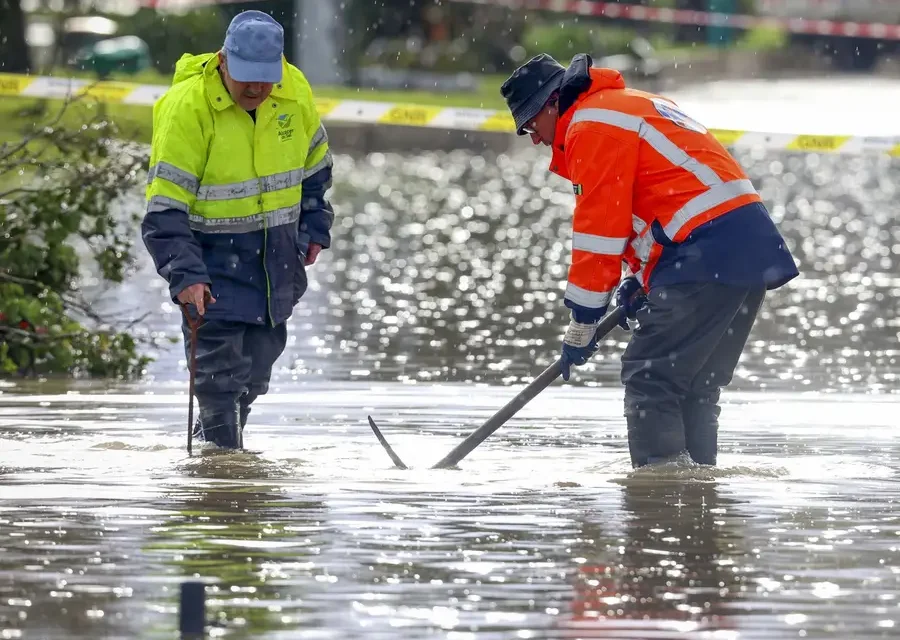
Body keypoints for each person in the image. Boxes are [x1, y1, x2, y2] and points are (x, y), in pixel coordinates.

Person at [499, 53, 799, 468]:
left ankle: (660, 491)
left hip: (704, 252)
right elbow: (658, 207)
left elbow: (599, 230)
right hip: (746, 248)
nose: (535, 139)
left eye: (532, 125)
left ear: (553, 103)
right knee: (694, 386)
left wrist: (582, 322)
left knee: (650, 377)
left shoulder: (591, 125)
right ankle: (697, 491)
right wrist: (640, 279)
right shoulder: (630, 105)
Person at [142, 10, 335, 450]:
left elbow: (316, 171)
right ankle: (222, 466)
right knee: (218, 381)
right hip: (211, 264)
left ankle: (219, 463)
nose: (256, 89)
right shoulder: (187, 108)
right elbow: (164, 209)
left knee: (253, 376)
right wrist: (186, 274)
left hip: (276, 262)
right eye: (246, 77)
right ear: (222, 60)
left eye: (265, 79)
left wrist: (314, 227)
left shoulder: (294, 91)